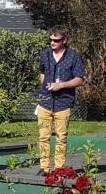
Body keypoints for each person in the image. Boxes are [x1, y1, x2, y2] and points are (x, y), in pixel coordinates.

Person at [36, 26, 85, 176]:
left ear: (64, 40)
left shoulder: (73, 57)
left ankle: (59, 168)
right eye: (51, 40)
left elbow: (80, 79)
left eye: (56, 40)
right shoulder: (45, 54)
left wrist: (61, 85)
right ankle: (44, 167)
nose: (52, 43)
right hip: (45, 101)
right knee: (43, 136)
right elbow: (42, 72)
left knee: (61, 137)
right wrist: (44, 86)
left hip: (63, 102)